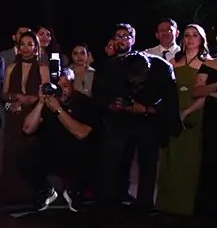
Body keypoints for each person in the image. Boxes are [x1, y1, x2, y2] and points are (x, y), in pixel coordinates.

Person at [94, 50, 180, 213]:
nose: (135, 83)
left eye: (139, 79)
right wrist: (111, 105)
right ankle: (110, 199)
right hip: (120, 119)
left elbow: (170, 102)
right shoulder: (112, 68)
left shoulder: (163, 69)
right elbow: (99, 94)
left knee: (148, 159)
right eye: (132, 79)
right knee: (113, 157)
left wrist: (147, 109)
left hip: (149, 120)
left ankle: (144, 202)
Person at [20, 67, 99, 211]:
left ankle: (75, 192)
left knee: (93, 158)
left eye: (65, 86)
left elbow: (81, 133)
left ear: (73, 85)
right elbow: (27, 129)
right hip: (51, 151)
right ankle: (46, 191)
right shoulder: (49, 101)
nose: (61, 91)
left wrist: (58, 111)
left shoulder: (83, 102)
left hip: (77, 154)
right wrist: (41, 103)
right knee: (25, 156)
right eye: (58, 86)